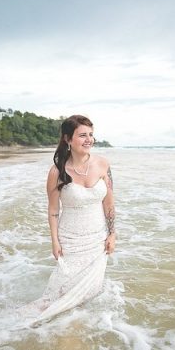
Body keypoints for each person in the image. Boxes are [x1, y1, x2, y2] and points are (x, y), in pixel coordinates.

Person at [26, 114, 115, 324]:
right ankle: (48, 326)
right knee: (61, 291)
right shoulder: (57, 172)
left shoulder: (103, 165)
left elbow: (109, 203)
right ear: (68, 139)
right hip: (71, 240)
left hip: (97, 239)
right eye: (82, 135)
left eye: (91, 135)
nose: (89, 140)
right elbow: (53, 210)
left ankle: (78, 326)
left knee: (90, 291)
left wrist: (112, 233)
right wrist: (54, 241)